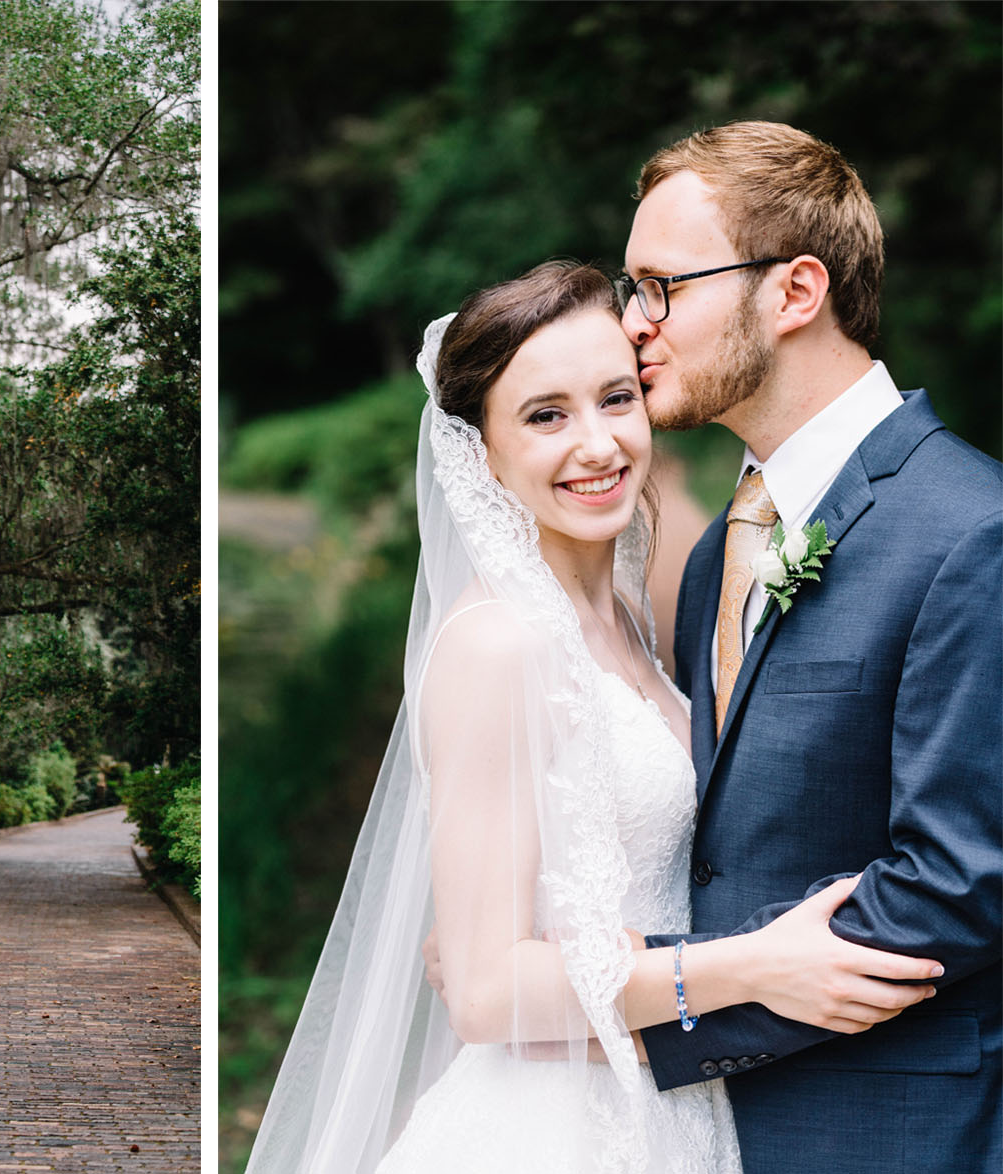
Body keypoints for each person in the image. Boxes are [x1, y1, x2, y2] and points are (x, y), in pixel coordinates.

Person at [243, 261, 938, 1173]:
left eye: (616, 398)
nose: (599, 444)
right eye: (545, 415)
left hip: (670, 1096)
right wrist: (757, 964)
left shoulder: (641, 617)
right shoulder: (496, 646)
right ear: (482, 451)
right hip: (554, 1125)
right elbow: (488, 991)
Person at [618, 121, 1002, 1174]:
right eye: (627, 292)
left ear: (792, 292)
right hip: (699, 1135)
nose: (631, 327)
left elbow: (959, 883)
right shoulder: (713, 557)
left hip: (888, 1130)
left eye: (661, 287)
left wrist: (668, 993)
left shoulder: (970, 529)